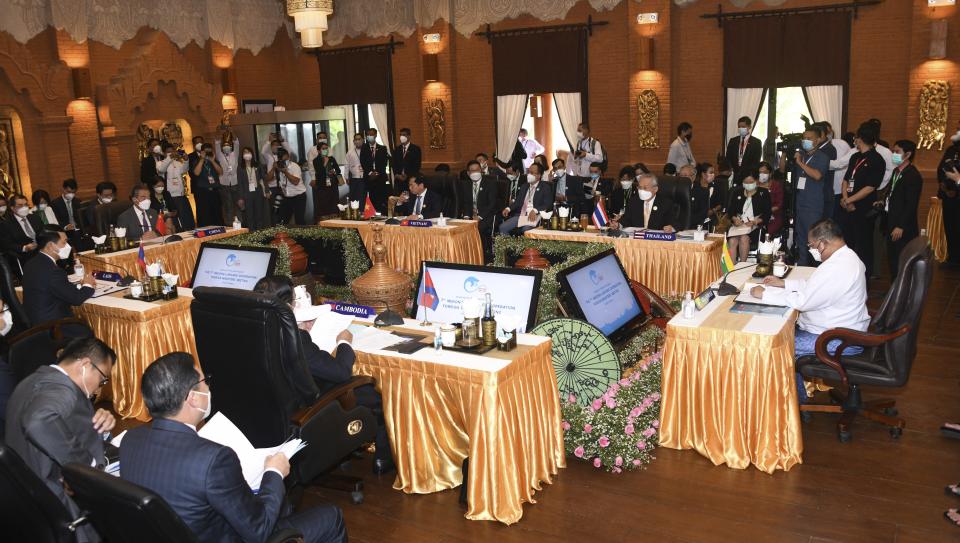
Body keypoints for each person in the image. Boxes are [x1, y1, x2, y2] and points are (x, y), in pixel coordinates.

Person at [120, 352, 348, 543]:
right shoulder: (214, 459)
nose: (208, 387)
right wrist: (274, 472)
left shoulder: (131, 440)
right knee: (331, 516)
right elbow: (258, 531)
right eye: (204, 381)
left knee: (284, 507)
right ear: (192, 398)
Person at [5, 337, 116, 543]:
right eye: (102, 379)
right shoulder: (63, 390)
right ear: (84, 365)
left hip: (19, 500)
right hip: (55, 505)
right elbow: (38, 421)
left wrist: (100, 427)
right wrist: (84, 466)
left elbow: (57, 427)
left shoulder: (29, 382)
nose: (99, 389)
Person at [749, 219, 869, 403]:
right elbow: (815, 285)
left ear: (823, 243)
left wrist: (764, 295)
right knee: (783, 334)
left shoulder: (838, 267)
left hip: (837, 338)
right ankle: (798, 398)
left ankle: (792, 404)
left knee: (775, 344)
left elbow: (803, 301)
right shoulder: (846, 258)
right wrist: (784, 283)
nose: (811, 249)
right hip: (838, 330)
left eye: (811, 245)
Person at [21, 227, 95, 327]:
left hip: (35, 322)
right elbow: (76, 299)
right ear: (51, 246)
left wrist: (77, 287)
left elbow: (53, 288)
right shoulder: (53, 270)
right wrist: (88, 284)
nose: (68, 246)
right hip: (55, 326)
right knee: (90, 328)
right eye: (64, 242)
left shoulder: (31, 263)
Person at [840, 123, 885, 278]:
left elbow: (870, 187)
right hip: (848, 206)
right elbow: (846, 180)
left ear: (860, 139)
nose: (855, 141)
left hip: (864, 208)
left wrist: (850, 200)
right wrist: (845, 199)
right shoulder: (855, 157)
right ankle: (847, 274)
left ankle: (863, 278)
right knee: (847, 242)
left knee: (863, 244)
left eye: (856, 138)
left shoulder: (877, 159)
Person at [883, 140, 922, 279]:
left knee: (901, 260)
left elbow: (911, 205)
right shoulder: (896, 171)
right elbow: (893, 193)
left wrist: (901, 226)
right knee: (892, 260)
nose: (894, 154)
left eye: (897, 152)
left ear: (908, 154)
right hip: (891, 220)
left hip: (902, 227)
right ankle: (894, 290)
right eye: (893, 151)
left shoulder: (913, 175)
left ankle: (902, 292)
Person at [793, 126, 831, 265]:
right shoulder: (801, 155)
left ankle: (818, 270)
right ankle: (802, 270)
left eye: (809, 138)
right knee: (801, 241)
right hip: (800, 204)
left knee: (814, 240)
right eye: (804, 138)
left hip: (813, 205)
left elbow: (817, 175)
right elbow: (783, 169)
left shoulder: (822, 157)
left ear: (818, 140)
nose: (805, 141)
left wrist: (800, 163)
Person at [726, 168, 772, 263]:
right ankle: (732, 268)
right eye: (745, 182)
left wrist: (755, 221)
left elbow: (767, 214)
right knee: (732, 241)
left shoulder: (763, 193)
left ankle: (741, 266)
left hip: (755, 228)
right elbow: (730, 211)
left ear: (756, 180)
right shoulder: (737, 192)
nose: (748, 184)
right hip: (738, 227)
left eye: (751, 181)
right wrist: (734, 219)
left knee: (744, 239)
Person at [610, 173, 676, 232]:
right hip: (636, 240)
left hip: (657, 241)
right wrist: (618, 225)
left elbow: (675, 223)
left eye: (645, 188)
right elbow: (626, 220)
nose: (641, 191)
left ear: (655, 189)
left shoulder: (665, 203)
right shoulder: (633, 202)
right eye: (640, 187)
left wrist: (671, 228)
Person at [500, 162, 552, 235]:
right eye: (528, 172)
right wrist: (508, 209)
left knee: (526, 230)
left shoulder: (545, 187)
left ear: (539, 175)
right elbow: (518, 202)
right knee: (502, 227)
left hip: (535, 216)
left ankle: (527, 247)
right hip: (521, 215)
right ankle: (510, 246)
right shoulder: (524, 186)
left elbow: (548, 204)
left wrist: (536, 210)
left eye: (532, 173)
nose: (529, 175)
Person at [157, 143, 195, 231]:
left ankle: (188, 231)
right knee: (175, 220)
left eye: (172, 152)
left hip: (181, 195)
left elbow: (185, 170)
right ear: (164, 153)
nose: (171, 153)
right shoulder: (160, 163)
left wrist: (186, 160)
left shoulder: (177, 163)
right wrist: (169, 158)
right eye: (168, 152)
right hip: (170, 196)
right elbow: (162, 169)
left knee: (186, 218)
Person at [0, 193, 43, 269]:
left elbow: (44, 233)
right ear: (12, 208)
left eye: (26, 204)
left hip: (42, 250)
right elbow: (7, 244)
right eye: (20, 205)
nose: (24, 207)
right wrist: (24, 248)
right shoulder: (6, 224)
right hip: (25, 256)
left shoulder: (35, 218)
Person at [938, 121, 960, 267]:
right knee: (950, 227)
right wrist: (946, 188)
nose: (957, 131)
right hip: (948, 195)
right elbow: (941, 169)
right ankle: (953, 258)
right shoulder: (951, 150)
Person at [268, 148, 306, 225]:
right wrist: (273, 168)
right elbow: (268, 178)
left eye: (285, 159)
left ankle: (301, 237)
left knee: (299, 220)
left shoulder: (295, 166)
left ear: (288, 157)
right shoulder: (279, 166)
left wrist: (285, 172)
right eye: (282, 160)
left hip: (299, 197)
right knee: (283, 220)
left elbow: (295, 182)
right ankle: (283, 236)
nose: (284, 162)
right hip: (287, 197)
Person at [237, 146, 270, 231]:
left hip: (258, 191)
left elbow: (264, 178)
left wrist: (267, 190)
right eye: (245, 152)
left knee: (259, 214)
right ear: (242, 155)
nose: (246, 154)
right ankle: (252, 233)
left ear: (252, 154)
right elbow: (240, 183)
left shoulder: (257, 165)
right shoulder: (240, 167)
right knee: (249, 215)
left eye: (248, 152)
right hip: (247, 193)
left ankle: (259, 232)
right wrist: (240, 197)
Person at [191, 142, 224, 227]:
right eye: (206, 152)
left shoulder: (214, 161)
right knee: (204, 216)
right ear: (202, 152)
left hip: (214, 191)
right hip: (203, 192)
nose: (207, 154)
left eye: (209, 151)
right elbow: (196, 173)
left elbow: (220, 172)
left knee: (217, 214)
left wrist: (213, 161)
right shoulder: (197, 161)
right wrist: (202, 159)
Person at [825, 122, 852, 221]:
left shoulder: (841, 144)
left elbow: (850, 162)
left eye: (830, 131)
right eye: (827, 132)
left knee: (839, 221)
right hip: (826, 191)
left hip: (841, 190)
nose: (829, 134)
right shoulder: (818, 149)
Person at [360, 128, 391, 213]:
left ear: (375, 135)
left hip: (380, 178)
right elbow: (363, 162)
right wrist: (370, 173)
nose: (369, 136)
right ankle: (371, 215)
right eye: (368, 135)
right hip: (369, 178)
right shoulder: (364, 148)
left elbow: (384, 163)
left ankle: (381, 214)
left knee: (380, 199)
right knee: (370, 199)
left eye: (371, 134)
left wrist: (376, 173)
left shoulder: (382, 148)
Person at [725, 116, 763, 183]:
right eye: (739, 127)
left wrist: (748, 174)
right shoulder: (733, 141)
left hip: (748, 176)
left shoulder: (756, 142)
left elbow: (756, 162)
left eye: (743, 127)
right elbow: (728, 158)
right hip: (734, 176)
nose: (740, 128)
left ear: (749, 127)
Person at [311, 142, 343, 220]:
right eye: (323, 149)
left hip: (333, 186)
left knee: (334, 204)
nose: (325, 150)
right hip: (322, 187)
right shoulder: (316, 160)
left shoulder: (332, 158)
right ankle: (325, 221)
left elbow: (338, 170)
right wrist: (325, 162)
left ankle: (335, 220)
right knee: (324, 205)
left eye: (326, 149)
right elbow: (319, 172)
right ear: (319, 151)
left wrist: (334, 171)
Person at [215, 137, 241, 225]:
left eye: (228, 145)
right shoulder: (220, 155)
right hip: (224, 184)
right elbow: (217, 144)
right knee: (228, 206)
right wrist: (218, 133)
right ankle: (230, 225)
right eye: (224, 146)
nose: (226, 147)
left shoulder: (235, 154)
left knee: (238, 205)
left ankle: (240, 224)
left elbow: (236, 143)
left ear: (231, 147)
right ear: (222, 148)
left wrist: (231, 131)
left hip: (235, 183)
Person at [688, 162, 718, 230]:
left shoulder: (716, 187)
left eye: (713, 172)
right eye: (711, 172)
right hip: (697, 217)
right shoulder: (695, 187)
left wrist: (713, 210)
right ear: (703, 174)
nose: (713, 175)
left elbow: (721, 203)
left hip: (711, 215)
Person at [761, 164, 785, 237]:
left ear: (770, 174)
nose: (762, 174)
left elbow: (779, 204)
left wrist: (767, 212)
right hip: (755, 217)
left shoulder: (776, 185)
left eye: (765, 172)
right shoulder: (754, 184)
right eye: (760, 172)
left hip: (773, 216)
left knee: (766, 232)